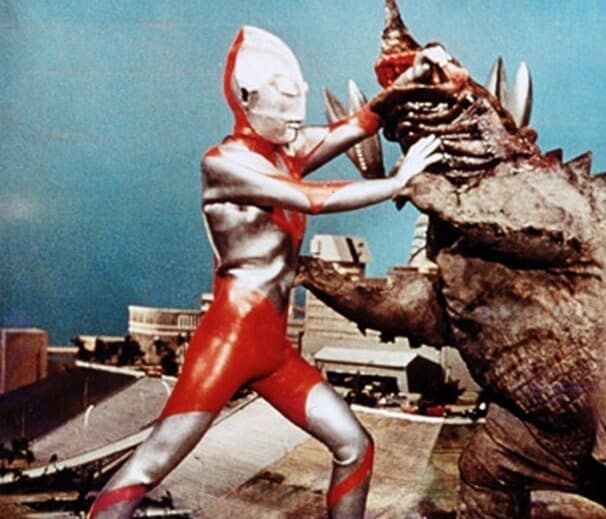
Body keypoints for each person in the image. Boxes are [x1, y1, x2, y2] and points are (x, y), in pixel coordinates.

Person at [87, 25, 441, 519]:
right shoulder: (224, 164)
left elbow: (360, 123)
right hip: (228, 343)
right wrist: (397, 182)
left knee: (355, 446)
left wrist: (413, 77)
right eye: (286, 97)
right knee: (149, 466)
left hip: (272, 348)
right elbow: (309, 199)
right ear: (248, 96)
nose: (298, 113)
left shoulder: (284, 152)